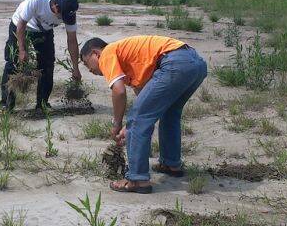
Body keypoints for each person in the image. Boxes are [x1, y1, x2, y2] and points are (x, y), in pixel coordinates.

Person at [80, 35, 207, 193]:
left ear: (95, 53)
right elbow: (147, 101)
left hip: (174, 62)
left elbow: (119, 92)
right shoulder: (128, 60)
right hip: (195, 63)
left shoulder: (107, 53)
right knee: (169, 113)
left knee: (137, 119)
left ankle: (137, 179)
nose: (90, 70)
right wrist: (129, 129)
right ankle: (171, 164)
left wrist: (118, 124)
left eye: (87, 64)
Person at [1, 0, 82, 111]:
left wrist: (76, 69)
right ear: (55, 6)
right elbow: (21, 24)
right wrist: (22, 50)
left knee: (47, 65)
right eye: (61, 15)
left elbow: (72, 40)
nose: (62, 19)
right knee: (13, 62)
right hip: (21, 26)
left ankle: (42, 104)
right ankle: (6, 103)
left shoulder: (69, 14)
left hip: (43, 31)